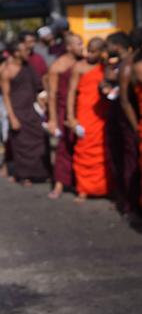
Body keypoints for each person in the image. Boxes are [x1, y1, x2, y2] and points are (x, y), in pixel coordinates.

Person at [1, 40, 51, 185]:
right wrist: (12, 117)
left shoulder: (29, 68)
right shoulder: (8, 71)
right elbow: (6, 95)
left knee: (40, 141)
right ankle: (23, 175)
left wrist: (43, 98)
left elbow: (38, 86)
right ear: (16, 53)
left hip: (32, 109)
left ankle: (41, 172)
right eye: (24, 50)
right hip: (18, 111)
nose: (28, 53)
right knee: (21, 145)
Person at [67, 38, 109, 202]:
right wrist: (71, 117)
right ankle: (83, 188)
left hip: (102, 113)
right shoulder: (79, 67)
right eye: (88, 50)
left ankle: (104, 187)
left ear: (101, 52)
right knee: (84, 150)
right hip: (85, 113)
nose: (88, 54)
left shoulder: (106, 67)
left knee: (103, 151)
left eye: (93, 51)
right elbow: (71, 92)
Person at [105, 32, 140, 220]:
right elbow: (126, 102)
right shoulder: (128, 66)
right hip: (129, 123)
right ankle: (130, 204)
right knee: (130, 161)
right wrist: (136, 128)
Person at [46, 34, 84, 199]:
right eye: (78, 44)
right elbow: (52, 95)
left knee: (82, 145)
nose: (82, 46)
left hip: (82, 108)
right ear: (68, 47)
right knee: (63, 147)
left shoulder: (84, 61)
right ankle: (59, 183)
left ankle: (82, 182)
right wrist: (53, 119)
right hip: (62, 109)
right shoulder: (58, 66)